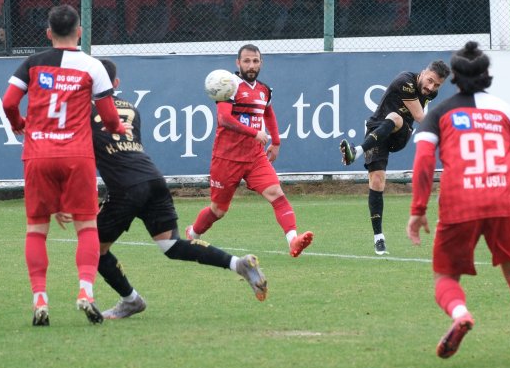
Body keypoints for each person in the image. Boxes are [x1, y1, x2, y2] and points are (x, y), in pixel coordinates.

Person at [407, 41, 510, 364]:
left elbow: (424, 162)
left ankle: (460, 314)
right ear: (487, 75)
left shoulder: (440, 114)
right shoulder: (503, 109)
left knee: (445, 277)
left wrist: (418, 211)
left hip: (459, 203)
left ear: (454, 78)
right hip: (502, 200)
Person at [90, 59, 267, 319]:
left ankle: (131, 300)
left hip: (127, 188)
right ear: (115, 84)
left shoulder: (82, 110)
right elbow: (125, 150)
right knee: (171, 246)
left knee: (94, 249)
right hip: (153, 178)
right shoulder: (131, 109)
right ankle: (237, 263)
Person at [2, 4, 126, 327]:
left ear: (48, 33)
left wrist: (20, 124)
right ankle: (86, 292)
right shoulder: (92, 66)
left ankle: (39, 298)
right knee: (86, 226)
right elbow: (110, 116)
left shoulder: (32, 63)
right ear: (80, 32)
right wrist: (117, 129)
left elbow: (8, 103)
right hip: (76, 155)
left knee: (36, 229)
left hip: (38, 153)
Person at [186, 44, 314, 257]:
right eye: (246, 61)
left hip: (255, 156)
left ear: (261, 63)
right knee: (218, 210)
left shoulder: (264, 90)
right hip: (227, 158)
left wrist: (276, 142)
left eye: (255, 61)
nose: (251, 65)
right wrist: (254, 133)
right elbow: (224, 119)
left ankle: (293, 240)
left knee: (276, 194)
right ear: (238, 63)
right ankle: (193, 233)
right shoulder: (229, 86)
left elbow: (268, 113)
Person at [340, 60, 450, 255]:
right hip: (376, 132)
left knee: (396, 118)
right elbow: (421, 117)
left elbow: (416, 118)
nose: (431, 87)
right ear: (423, 72)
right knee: (377, 182)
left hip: (400, 134)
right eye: (430, 80)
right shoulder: (405, 81)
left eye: (437, 85)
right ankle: (379, 239)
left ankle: (356, 152)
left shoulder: (430, 92)